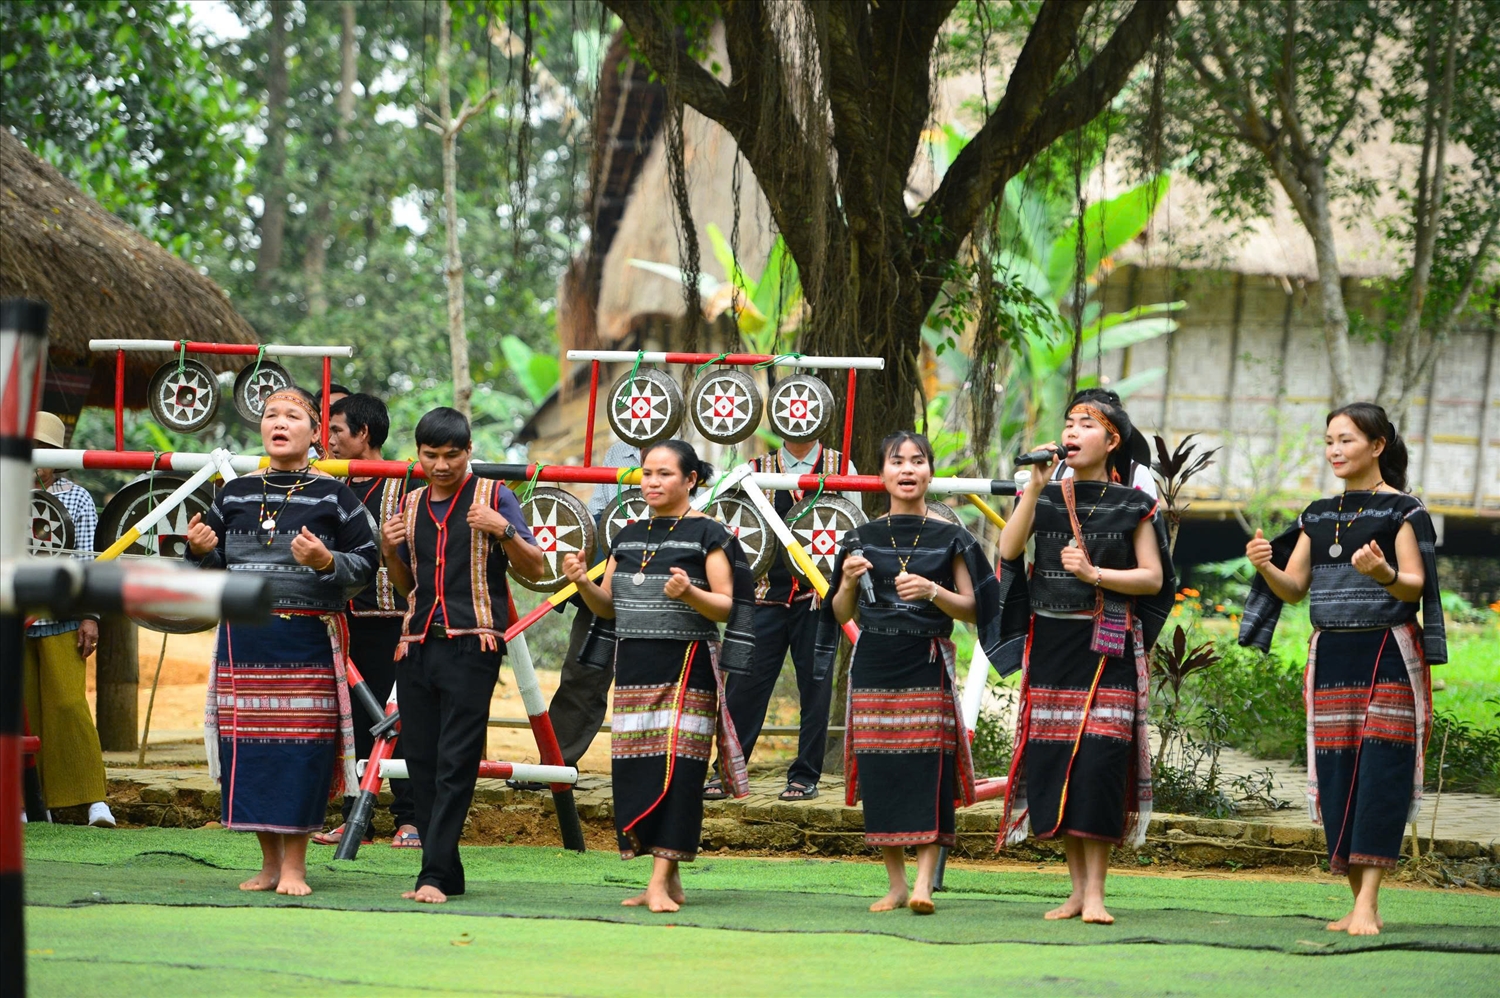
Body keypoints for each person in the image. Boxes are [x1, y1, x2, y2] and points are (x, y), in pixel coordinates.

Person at [1240, 402, 1444, 937]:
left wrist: (1383, 572)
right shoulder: (1318, 513)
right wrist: (1266, 565)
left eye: (1347, 440)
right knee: (1336, 774)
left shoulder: (1403, 510)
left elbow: (1414, 586)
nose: (1335, 450)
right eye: (1329, 440)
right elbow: (1294, 588)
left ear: (1377, 446)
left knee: (1382, 773)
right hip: (1330, 655)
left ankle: (1369, 902)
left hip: (1388, 654)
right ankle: (1359, 904)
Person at [186, 388, 378, 896]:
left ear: (315, 433)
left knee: (302, 751)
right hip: (244, 644)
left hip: (307, 641)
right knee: (250, 750)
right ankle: (268, 866)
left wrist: (326, 563)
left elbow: (368, 562)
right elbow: (214, 572)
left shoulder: (336, 496)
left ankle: (295, 868)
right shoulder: (233, 495)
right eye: (271, 414)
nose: (280, 422)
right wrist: (201, 552)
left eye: (294, 416)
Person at [996, 391, 1174, 925]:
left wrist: (1094, 575)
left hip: (1109, 647)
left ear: (1112, 440)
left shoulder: (1135, 504)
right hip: (1051, 645)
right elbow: (1007, 551)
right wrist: (1033, 485)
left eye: (1086, 424)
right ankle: (1074, 892)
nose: (1071, 432)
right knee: (1057, 764)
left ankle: (1097, 894)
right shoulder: (1046, 496)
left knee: (1097, 764)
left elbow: (1153, 578)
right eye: (1068, 421)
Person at [562, 439, 756, 913]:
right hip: (633, 670)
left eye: (664, 473)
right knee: (641, 769)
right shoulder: (626, 537)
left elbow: (729, 605)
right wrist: (584, 582)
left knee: (679, 771)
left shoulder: (709, 534)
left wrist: (690, 593)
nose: (652, 481)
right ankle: (670, 883)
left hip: (687, 666)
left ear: (691, 479)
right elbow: (608, 607)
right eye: (647, 473)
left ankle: (657, 881)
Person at [819, 431, 1003, 915]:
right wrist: (847, 581)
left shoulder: (953, 535)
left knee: (927, 770)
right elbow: (841, 614)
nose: (906, 469)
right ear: (881, 474)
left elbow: (974, 609)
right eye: (896, 461)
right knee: (882, 771)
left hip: (926, 661)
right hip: (876, 662)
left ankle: (924, 884)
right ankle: (896, 884)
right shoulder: (859, 537)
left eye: (917, 461)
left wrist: (932, 592)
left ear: (929, 472)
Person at [382, 407, 546, 904]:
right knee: (423, 763)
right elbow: (406, 586)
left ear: (469, 452)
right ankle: (444, 873)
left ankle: (430, 876)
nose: (441, 466)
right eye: (431, 456)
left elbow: (536, 568)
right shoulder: (407, 507)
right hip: (414, 645)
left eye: (452, 456)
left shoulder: (496, 497)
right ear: (417, 455)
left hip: (474, 646)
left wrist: (503, 529)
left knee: (456, 761)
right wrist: (390, 552)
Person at [706, 438, 855, 802]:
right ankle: (726, 772)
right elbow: (735, 526)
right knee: (743, 688)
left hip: (817, 599)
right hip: (762, 596)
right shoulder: (753, 469)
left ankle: (805, 776)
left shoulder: (842, 466)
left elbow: (852, 529)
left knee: (816, 690)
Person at [312, 393, 419, 848]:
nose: (327, 439)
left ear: (365, 434)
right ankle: (354, 816)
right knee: (352, 720)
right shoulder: (325, 482)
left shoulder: (407, 482)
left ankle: (410, 819)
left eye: (336, 430)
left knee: (406, 719)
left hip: (398, 621)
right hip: (344, 621)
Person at [23, 411, 112, 827]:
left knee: (68, 705)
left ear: (57, 456)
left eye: (42, 451)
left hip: (61, 616)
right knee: (20, 710)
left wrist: (89, 615)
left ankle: (93, 800)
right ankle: (26, 804)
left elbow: (87, 562)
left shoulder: (76, 497)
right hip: (14, 618)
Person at [537, 440, 641, 777]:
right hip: (607, 580)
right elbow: (598, 512)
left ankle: (656, 774)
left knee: (659, 681)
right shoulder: (619, 451)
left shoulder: (681, 451)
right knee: (583, 675)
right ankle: (555, 765)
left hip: (664, 586)